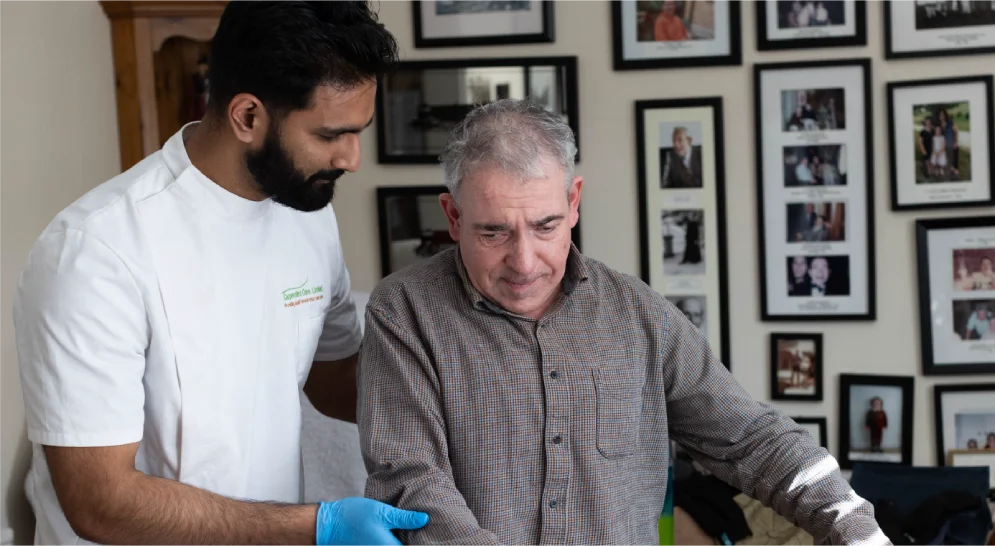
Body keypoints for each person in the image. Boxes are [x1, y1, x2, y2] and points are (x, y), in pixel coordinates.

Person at [356, 98, 890, 545]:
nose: (524, 261)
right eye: (494, 233)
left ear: (574, 202)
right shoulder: (403, 313)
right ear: (452, 217)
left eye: (546, 227)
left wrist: (853, 526)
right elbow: (413, 482)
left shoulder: (639, 316)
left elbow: (751, 440)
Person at [12, 1, 428, 544]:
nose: (351, 157)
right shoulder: (95, 252)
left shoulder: (308, 214)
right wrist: (316, 527)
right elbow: (99, 501)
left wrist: (463, 395)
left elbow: (335, 379)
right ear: (248, 117)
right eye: (331, 135)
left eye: (359, 131)